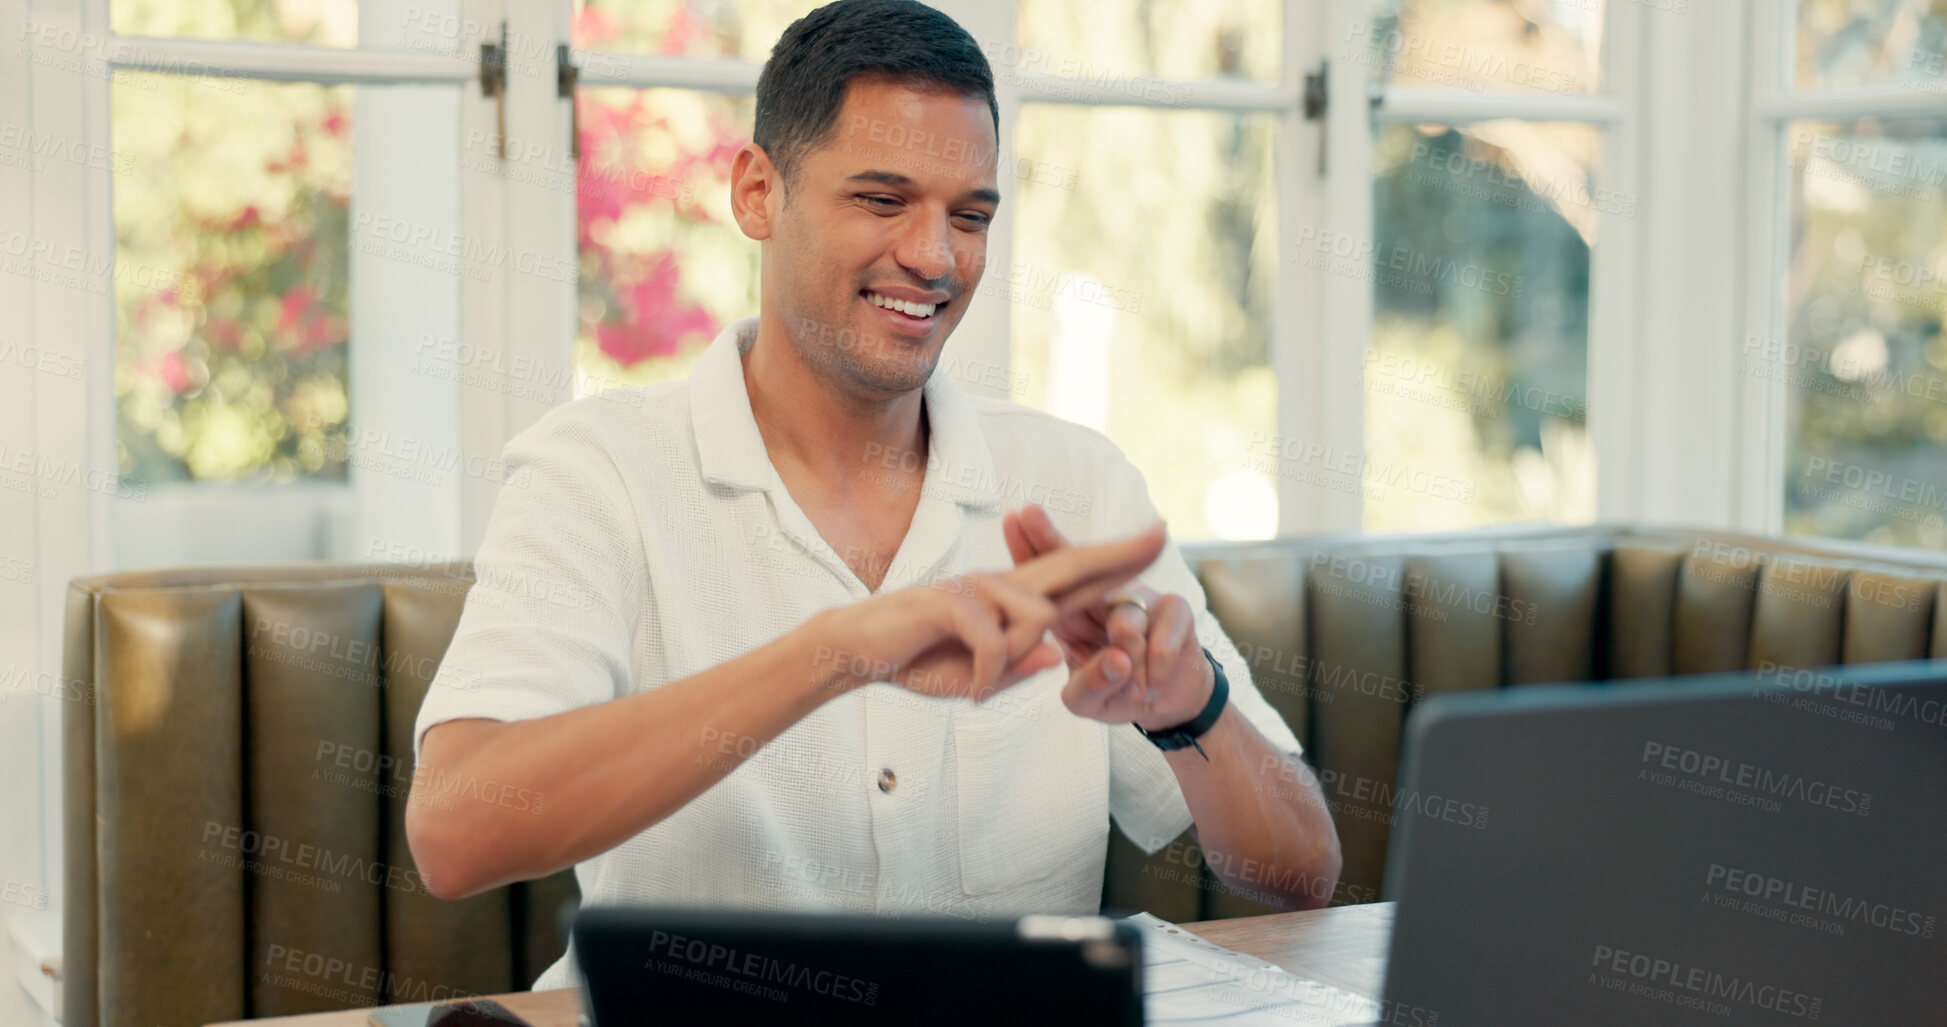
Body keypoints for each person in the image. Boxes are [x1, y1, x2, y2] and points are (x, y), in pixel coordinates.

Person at [406, 0, 1341, 991]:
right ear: (758, 193)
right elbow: (455, 832)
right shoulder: (596, 472)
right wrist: (842, 651)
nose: (937, 257)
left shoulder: (1077, 486)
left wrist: (1188, 706)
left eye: (970, 215)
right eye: (883, 201)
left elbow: (1303, 870)